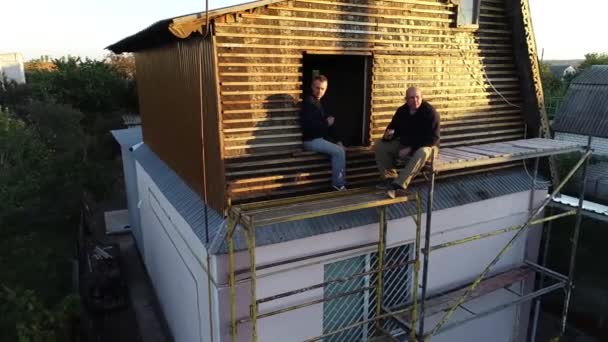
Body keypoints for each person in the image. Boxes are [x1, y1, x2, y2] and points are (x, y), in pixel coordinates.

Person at [374, 87, 440, 196]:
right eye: (411, 98)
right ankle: (390, 179)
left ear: (421, 97)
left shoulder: (430, 112)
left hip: (428, 145)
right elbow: (393, 128)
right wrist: (387, 136)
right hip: (405, 143)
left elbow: (433, 138)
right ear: (406, 99)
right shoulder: (402, 111)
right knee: (379, 145)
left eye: (417, 97)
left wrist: (411, 149)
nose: (415, 100)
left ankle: (399, 185)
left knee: (422, 152)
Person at [300, 75, 347, 191]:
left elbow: (329, 127)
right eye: (317, 88)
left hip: (319, 139)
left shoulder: (319, 103)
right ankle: (338, 185)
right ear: (312, 86)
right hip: (310, 140)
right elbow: (310, 128)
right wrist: (326, 123)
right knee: (339, 152)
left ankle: (338, 183)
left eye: (322, 89)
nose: (319, 91)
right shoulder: (308, 103)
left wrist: (338, 141)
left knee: (340, 148)